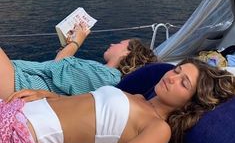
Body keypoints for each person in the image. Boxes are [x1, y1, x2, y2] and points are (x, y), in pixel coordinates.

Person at [0, 58, 235, 143]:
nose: (172, 78)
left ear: (189, 103)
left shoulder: (158, 128)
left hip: (15, 133)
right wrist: (52, 96)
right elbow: (89, 110)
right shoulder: (138, 97)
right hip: (17, 109)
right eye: (177, 71)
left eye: (184, 83)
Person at [0, 24, 158, 100]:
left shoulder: (107, 77)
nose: (112, 44)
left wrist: (77, 42)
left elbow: (58, 66)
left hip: (18, 84)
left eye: (119, 43)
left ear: (127, 52)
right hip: (18, 79)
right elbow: (61, 68)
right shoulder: (103, 74)